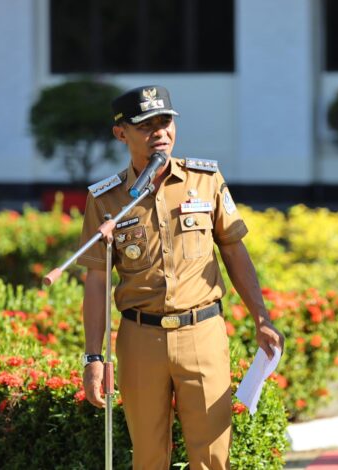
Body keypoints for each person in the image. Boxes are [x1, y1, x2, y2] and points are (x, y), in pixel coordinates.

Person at [77, 84, 284, 470]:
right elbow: (96, 279)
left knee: (211, 458)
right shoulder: (106, 200)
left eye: (166, 122)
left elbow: (235, 251)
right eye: (146, 125)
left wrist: (262, 318)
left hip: (201, 333)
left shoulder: (205, 180)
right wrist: (94, 356)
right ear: (120, 132)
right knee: (150, 458)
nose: (160, 132)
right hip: (141, 339)